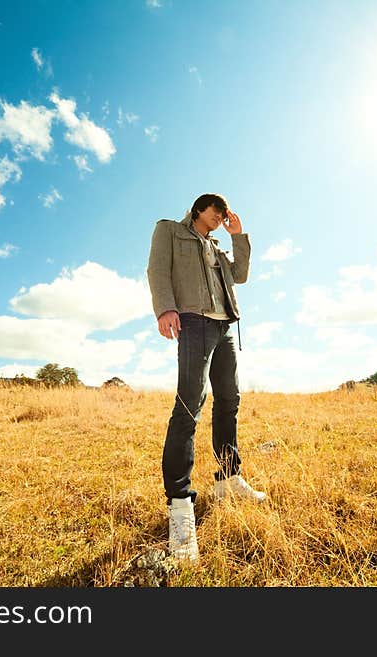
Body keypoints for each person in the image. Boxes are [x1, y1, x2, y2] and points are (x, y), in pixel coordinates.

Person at [146, 193, 266, 562]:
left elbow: (240, 276)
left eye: (223, 215)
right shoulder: (169, 230)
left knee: (229, 400)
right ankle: (180, 504)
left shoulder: (216, 246)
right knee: (189, 407)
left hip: (225, 326)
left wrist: (237, 236)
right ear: (200, 209)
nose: (219, 218)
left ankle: (228, 480)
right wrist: (165, 308)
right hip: (193, 322)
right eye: (217, 212)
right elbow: (157, 270)